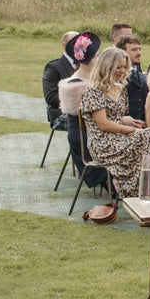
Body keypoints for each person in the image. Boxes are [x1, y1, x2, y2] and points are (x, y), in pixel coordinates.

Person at [81, 46, 150, 196]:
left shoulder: (121, 89)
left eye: (124, 67)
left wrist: (127, 122)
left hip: (121, 137)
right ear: (106, 67)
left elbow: (116, 116)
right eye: (118, 67)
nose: (122, 71)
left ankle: (149, 187)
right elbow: (104, 124)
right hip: (103, 142)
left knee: (149, 138)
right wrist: (133, 130)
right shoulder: (93, 91)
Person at [58, 32, 104, 186]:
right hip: (87, 140)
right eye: (97, 56)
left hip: (96, 134)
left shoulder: (95, 80)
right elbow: (96, 122)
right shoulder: (76, 85)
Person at [42, 30, 79, 131]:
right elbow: (51, 97)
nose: (78, 45)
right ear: (64, 45)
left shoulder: (87, 65)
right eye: (74, 42)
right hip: (61, 114)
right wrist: (77, 104)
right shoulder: (53, 67)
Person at [117, 34, 148, 122]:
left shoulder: (142, 77)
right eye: (134, 50)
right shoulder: (117, 76)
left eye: (139, 49)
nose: (139, 53)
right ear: (122, 52)